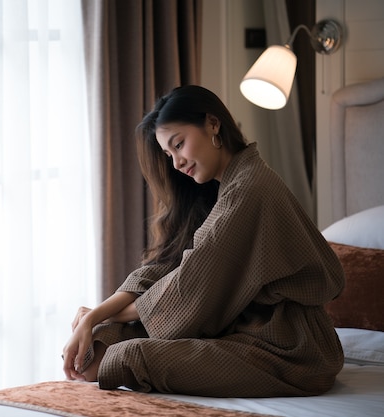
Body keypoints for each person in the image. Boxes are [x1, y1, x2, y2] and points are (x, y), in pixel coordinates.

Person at [61, 85, 345, 397]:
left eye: (179, 145)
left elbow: (186, 288)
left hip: (292, 348)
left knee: (130, 355)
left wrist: (96, 315)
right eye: (169, 154)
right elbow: (169, 269)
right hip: (244, 326)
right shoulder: (225, 186)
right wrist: (96, 317)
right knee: (104, 341)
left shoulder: (248, 191)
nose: (176, 164)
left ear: (212, 124)